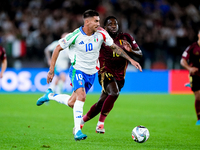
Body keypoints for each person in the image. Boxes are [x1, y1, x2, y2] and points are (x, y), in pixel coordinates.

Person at [36, 10, 142, 141]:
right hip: (77, 70)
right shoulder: (75, 35)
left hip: (91, 73)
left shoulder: (101, 33)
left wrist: (130, 59)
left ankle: (50, 95)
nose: (99, 23)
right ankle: (77, 131)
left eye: (99, 20)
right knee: (82, 96)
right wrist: (51, 71)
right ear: (87, 22)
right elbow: (57, 48)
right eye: (96, 21)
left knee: (72, 103)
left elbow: (115, 47)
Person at [80, 16, 143, 133]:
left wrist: (131, 51)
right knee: (114, 93)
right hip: (105, 72)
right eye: (110, 24)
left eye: (115, 24)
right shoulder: (101, 38)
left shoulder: (126, 37)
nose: (113, 26)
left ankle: (81, 122)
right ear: (105, 27)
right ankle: (100, 124)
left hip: (120, 76)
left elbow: (139, 53)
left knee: (101, 103)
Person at [180, 29, 200, 125]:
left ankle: (191, 85)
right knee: (198, 96)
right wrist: (189, 68)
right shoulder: (192, 47)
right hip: (195, 75)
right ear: (198, 35)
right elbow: (182, 61)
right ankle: (199, 119)